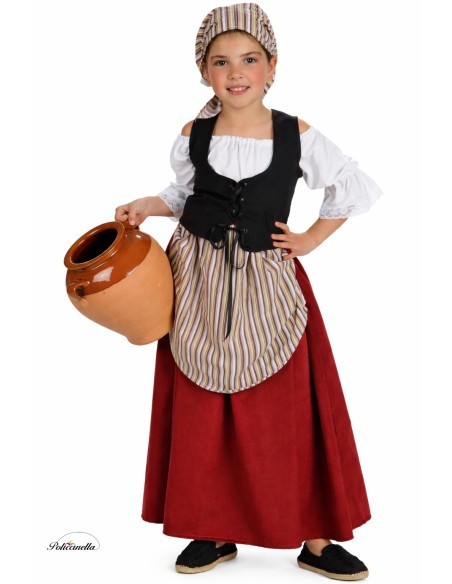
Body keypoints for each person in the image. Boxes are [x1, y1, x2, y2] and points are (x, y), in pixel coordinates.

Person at [115, 3, 382, 580]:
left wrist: (311, 238)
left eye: (249, 59)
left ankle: (316, 539)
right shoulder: (194, 134)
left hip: (267, 281)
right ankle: (212, 529)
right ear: (204, 71)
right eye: (221, 62)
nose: (236, 72)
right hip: (197, 280)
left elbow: (352, 186)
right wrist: (148, 205)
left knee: (288, 408)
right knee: (204, 405)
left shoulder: (295, 134)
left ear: (272, 66)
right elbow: (184, 196)